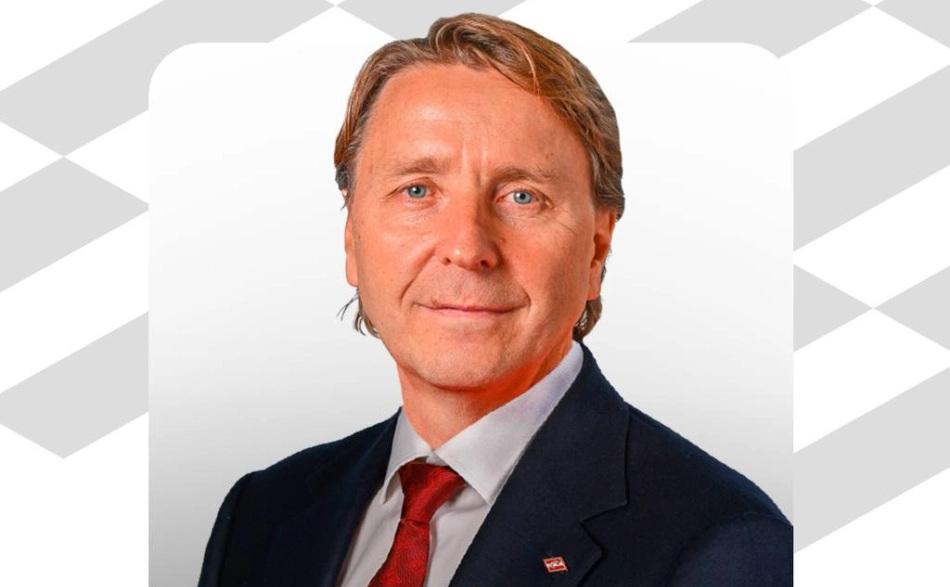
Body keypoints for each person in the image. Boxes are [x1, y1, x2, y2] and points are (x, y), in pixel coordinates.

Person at [197, 13, 792, 587]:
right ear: (352, 238)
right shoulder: (264, 515)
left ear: (596, 248)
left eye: (522, 197)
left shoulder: (729, 550)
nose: (467, 247)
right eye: (417, 190)